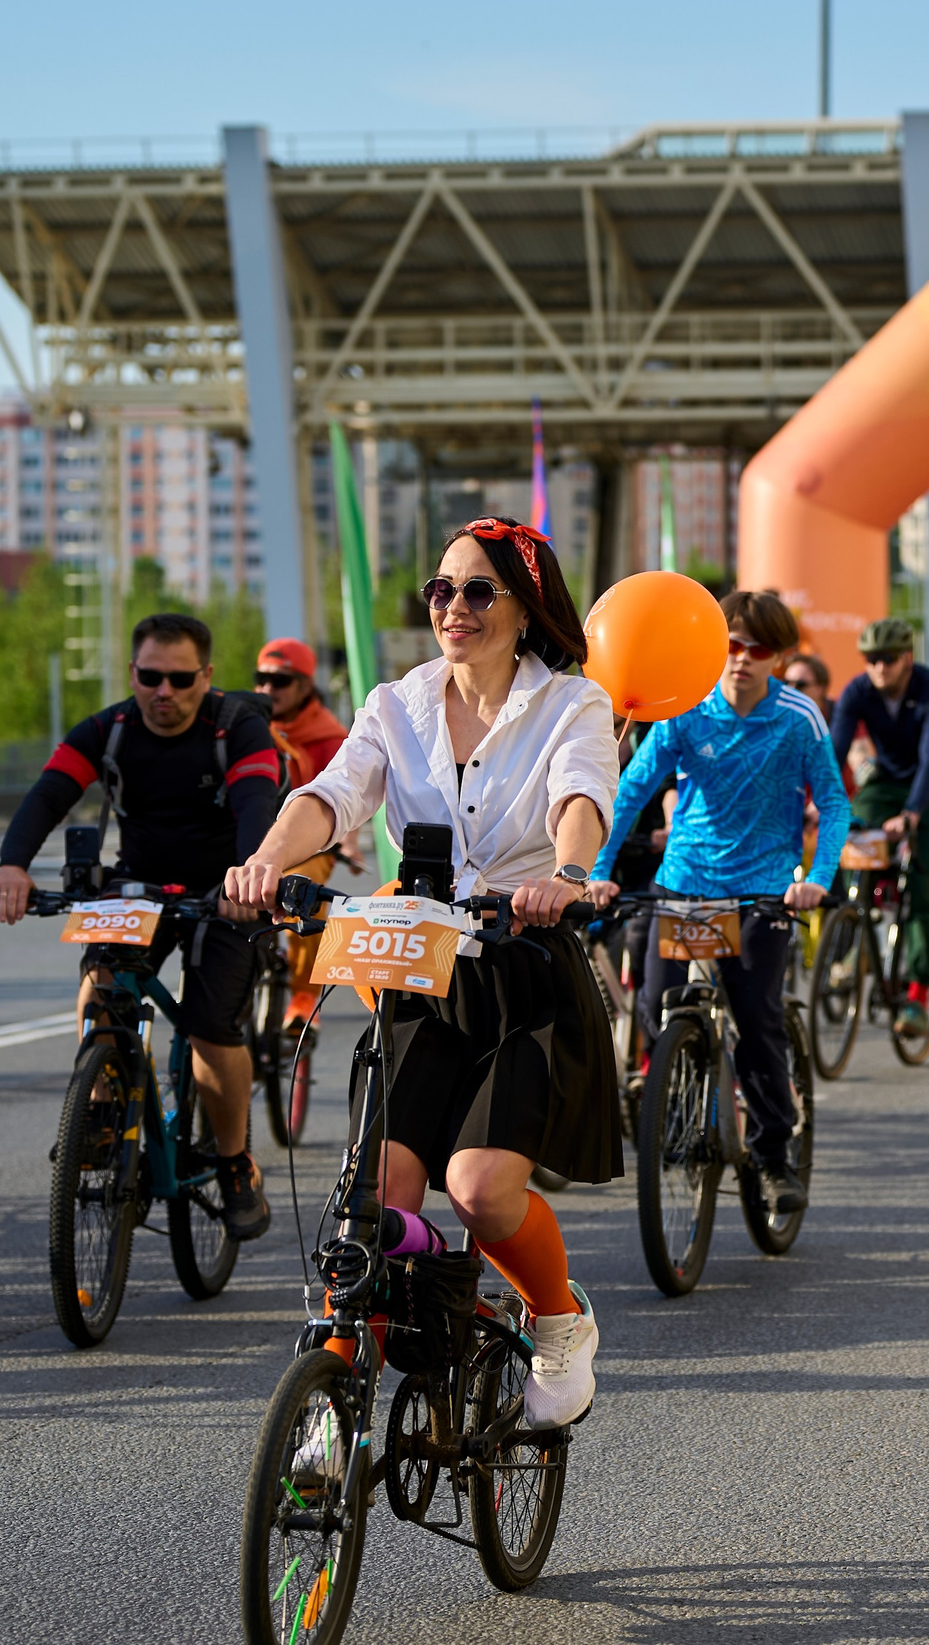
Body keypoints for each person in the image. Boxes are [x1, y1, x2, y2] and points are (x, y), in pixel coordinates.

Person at [224, 516, 617, 1432]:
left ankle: (560, 1321)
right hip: (422, 969)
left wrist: (563, 876)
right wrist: (264, 865)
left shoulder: (570, 704)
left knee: (480, 1189)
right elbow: (332, 795)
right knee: (378, 1198)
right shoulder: (395, 702)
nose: (454, 608)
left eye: (478, 590)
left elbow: (580, 794)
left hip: (522, 969)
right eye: (440, 590)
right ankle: (395, 1338)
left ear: (524, 608)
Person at [0, 612, 283, 1244]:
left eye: (181, 679)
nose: (164, 692)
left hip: (227, 889)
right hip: (138, 884)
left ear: (206, 676)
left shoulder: (239, 726)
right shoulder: (109, 729)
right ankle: (99, 1109)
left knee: (210, 1026)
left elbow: (257, 804)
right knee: (104, 982)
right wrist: (13, 864)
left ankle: (233, 1162)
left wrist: (253, 879)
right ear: (133, 673)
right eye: (150, 677)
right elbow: (47, 795)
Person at [588, 590, 846, 1214]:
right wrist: (595, 870)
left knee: (757, 1020)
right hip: (683, 886)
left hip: (762, 892)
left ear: (779, 657)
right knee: (654, 1008)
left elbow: (835, 804)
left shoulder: (799, 718)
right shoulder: (685, 712)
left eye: (758, 648)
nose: (742, 659)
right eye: (732, 644)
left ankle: (773, 1155)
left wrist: (817, 876)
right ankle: (679, 1112)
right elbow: (628, 793)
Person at [829, 618, 929, 1036]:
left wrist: (911, 814)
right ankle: (855, 947)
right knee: (854, 841)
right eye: (871, 660)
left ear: (907, 659)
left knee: (923, 883)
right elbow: (834, 750)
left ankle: (918, 993)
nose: (879, 668)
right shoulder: (857, 691)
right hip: (888, 783)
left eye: (888, 660)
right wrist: (822, 802)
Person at [254, 637, 355, 1030]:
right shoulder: (246, 726)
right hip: (254, 841)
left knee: (304, 894)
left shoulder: (331, 738)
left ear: (305, 685)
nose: (267, 690)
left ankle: (302, 995)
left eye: (280, 681)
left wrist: (346, 841)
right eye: (260, 679)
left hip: (311, 846)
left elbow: (345, 795)